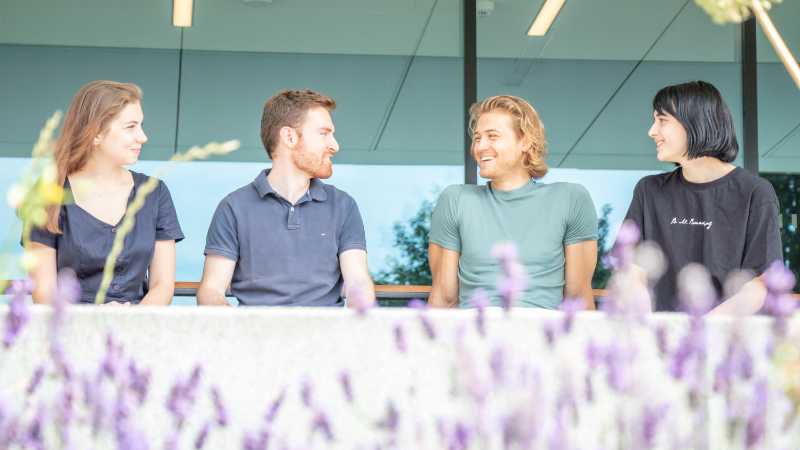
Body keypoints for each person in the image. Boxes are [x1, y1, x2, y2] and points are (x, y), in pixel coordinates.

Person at [197, 89, 374, 307]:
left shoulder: (343, 206)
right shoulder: (234, 207)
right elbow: (211, 291)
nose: (334, 145)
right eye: (323, 133)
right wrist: (239, 333)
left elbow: (358, 284)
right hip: (255, 336)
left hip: (326, 336)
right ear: (289, 137)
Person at [622, 80, 782, 314]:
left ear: (694, 122)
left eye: (662, 121)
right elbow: (631, 272)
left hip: (726, 339)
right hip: (660, 339)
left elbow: (760, 285)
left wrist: (702, 332)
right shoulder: (649, 191)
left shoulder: (755, 193)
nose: (652, 131)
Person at [428, 95, 598, 309]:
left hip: (542, 336)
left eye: (492, 136)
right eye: (478, 138)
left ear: (525, 141)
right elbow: (443, 298)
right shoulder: (455, 201)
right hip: (476, 335)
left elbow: (579, 299)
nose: (480, 147)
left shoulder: (571, 199)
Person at [26, 80, 184, 305]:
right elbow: (44, 293)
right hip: (71, 331)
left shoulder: (155, 193)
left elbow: (163, 286)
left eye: (141, 125)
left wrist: (132, 320)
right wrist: (93, 321)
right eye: (131, 127)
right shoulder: (47, 193)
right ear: (96, 133)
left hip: (137, 329)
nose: (143, 137)